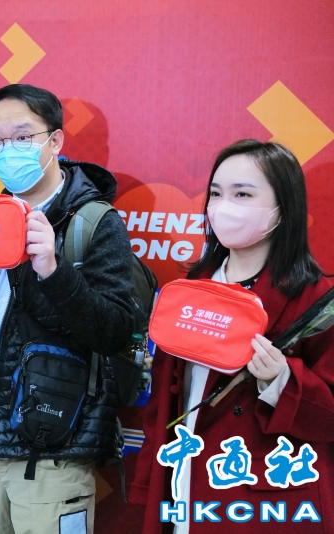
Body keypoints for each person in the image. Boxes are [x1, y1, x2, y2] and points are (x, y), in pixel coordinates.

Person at [0, 84, 135, 534]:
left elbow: (117, 330)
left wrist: (54, 271)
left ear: (55, 140)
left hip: (53, 456)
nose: (9, 150)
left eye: (23, 137)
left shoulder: (93, 222)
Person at [131, 140, 334, 533]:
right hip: (184, 483)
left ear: (283, 207)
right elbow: (163, 401)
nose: (224, 206)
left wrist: (281, 379)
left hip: (264, 498)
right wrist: (149, 482)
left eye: (243, 194)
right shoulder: (192, 287)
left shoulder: (316, 300)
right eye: (216, 193)